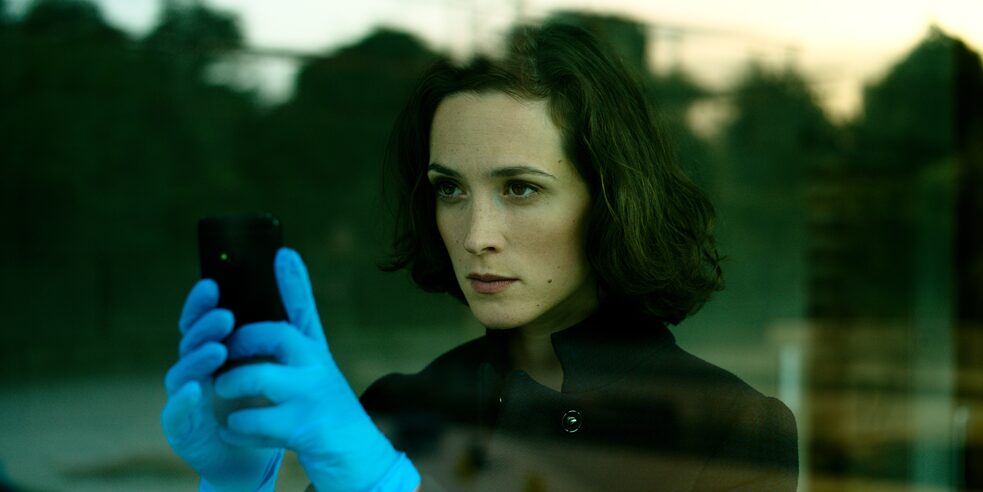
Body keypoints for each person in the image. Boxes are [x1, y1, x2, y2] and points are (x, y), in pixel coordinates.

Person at [162, 22, 798, 492]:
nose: (475, 235)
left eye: (519, 188)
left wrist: (383, 482)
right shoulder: (398, 408)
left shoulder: (732, 427)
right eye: (450, 190)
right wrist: (238, 481)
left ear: (611, 199)